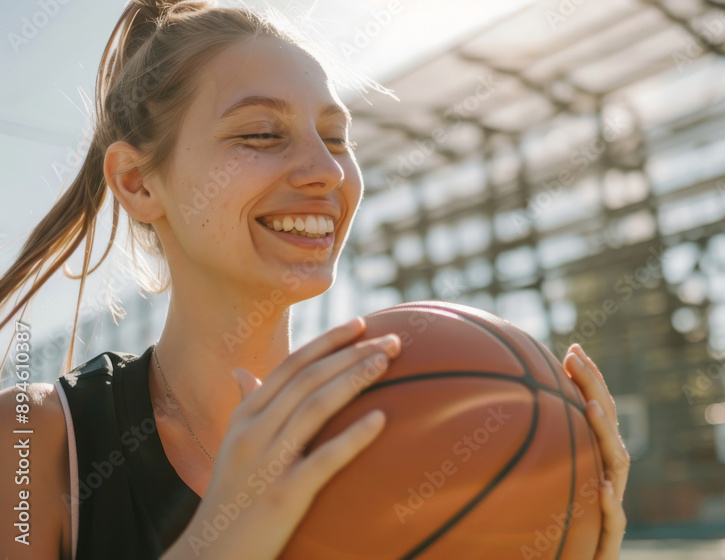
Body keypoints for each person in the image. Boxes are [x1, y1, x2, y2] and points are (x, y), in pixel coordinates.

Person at [0, 1, 630, 558]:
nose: (325, 171)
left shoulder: (403, 439)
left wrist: (552, 530)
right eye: (261, 133)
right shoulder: (35, 443)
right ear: (137, 182)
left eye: (335, 137)